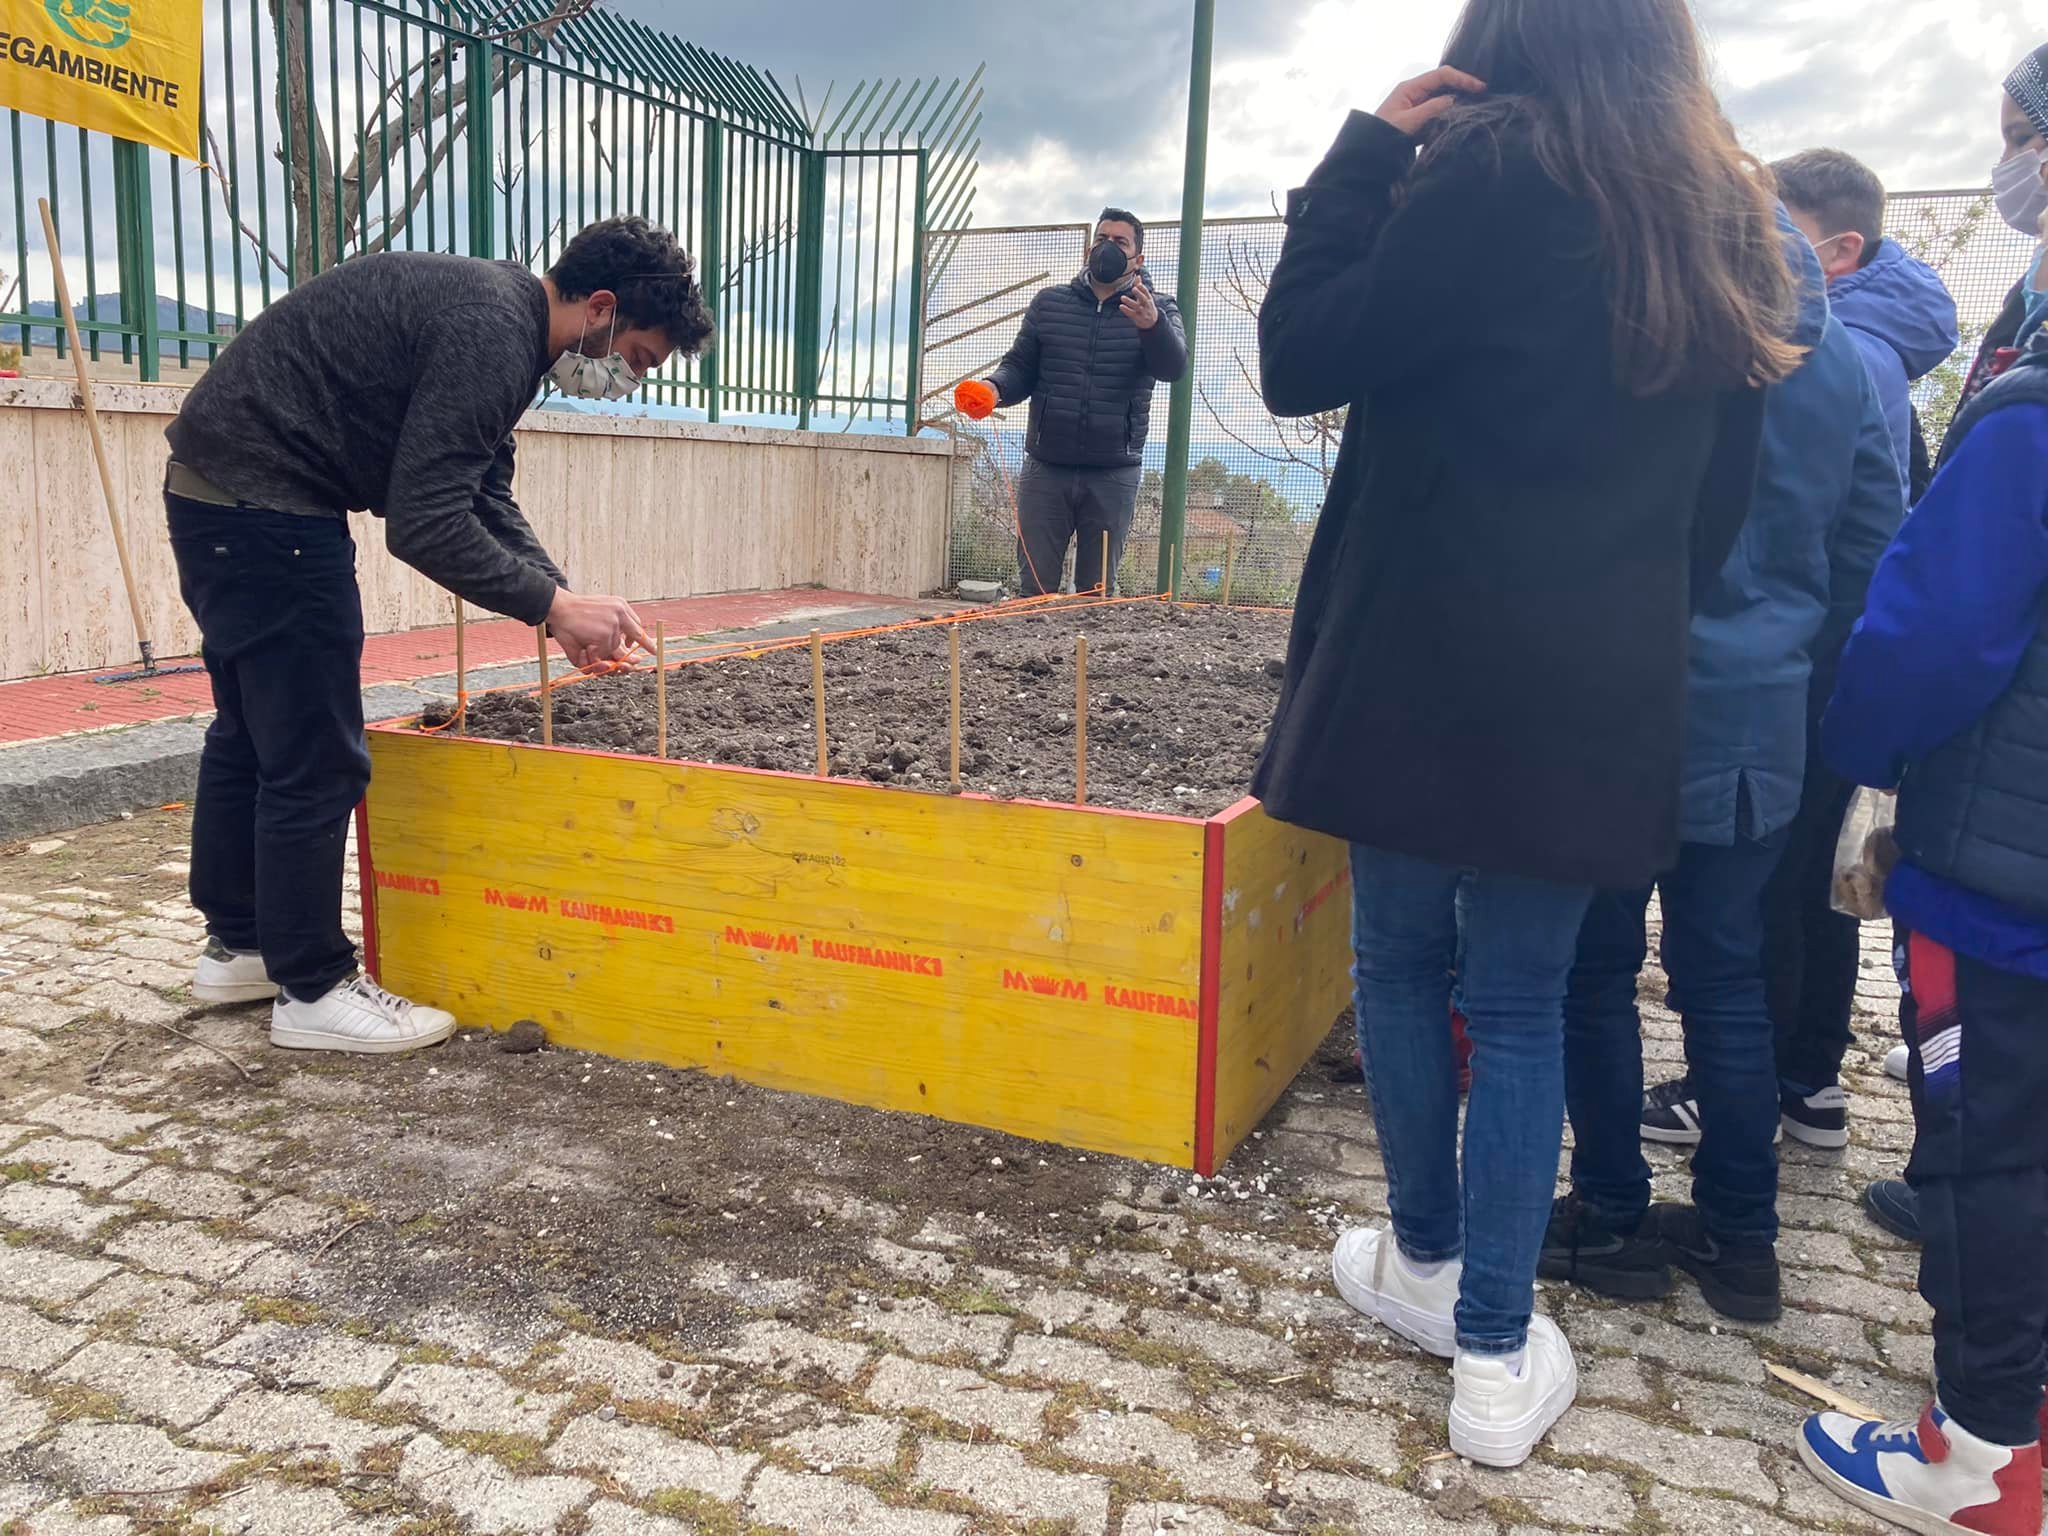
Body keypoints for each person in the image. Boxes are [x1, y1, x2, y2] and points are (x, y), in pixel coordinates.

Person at [1255, 0, 1796, 1468]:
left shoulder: (1487, 174)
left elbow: (1302, 353)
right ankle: (1496, 1357)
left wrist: (1364, 153)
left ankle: (1427, 1269)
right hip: (1591, 679)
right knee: (1521, 1001)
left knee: (1399, 963)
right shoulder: (1728, 220)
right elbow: (1723, 501)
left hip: (1417, 654)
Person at [164, 216, 714, 1055]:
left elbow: (479, 489)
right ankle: (312, 989)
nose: (625, 379)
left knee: (252, 735)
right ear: (601, 309)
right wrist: (553, 608)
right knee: (317, 754)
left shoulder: (500, 319)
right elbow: (421, 522)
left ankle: (241, 948)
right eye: (635, 358)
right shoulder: (493, 333)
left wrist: (561, 598)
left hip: (222, 494)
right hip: (266, 506)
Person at [1542, 213, 1903, 1323]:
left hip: (1621, 714)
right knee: (1727, 979)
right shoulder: (1846, 364)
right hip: (1760, 722)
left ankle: (1608, 1215)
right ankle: (1742, 1243)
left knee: (1595, 974)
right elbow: (1871, 549)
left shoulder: (1644, 333)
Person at [1633, 153, 1955, 1156]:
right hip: (1807, 680)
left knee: (1718, 937)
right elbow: (1876, 537)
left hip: (1713, 688)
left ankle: (1675, 1153)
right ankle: (1791, 1120)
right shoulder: (1866, 365)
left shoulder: (1739, 352)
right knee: (1791, 907)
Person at [1796, 338, 2048, 1536]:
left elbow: (1930, 633)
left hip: (2001, 885)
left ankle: (1982, 1454)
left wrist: (1855, 759)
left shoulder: (2027, 419)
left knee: (1981, 1156)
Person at [1863, 41, 2048, 1245]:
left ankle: (1980, 1425)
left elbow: (1950, 609)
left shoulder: (2028, 400)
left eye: (2017, 138)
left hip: (2000, 807)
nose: (2008, 166)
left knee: (1986, 1088)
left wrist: (1865, 746)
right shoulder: (2024, 299)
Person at [956, 210, 1188, 596]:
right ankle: (1030, 657)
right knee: (1034, 589)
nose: (1108, 248)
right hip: (1046, 469)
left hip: (1114, 473)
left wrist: (1153, 326)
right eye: (1102, 239)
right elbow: (1020, 367)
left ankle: (1087, 657)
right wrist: (992, 390)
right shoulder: (1050, 304)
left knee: (1095, 593)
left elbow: (1173, 366)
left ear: (1139, 259)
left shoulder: (1159, 309)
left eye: (1120, 242)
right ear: (1088, 248)